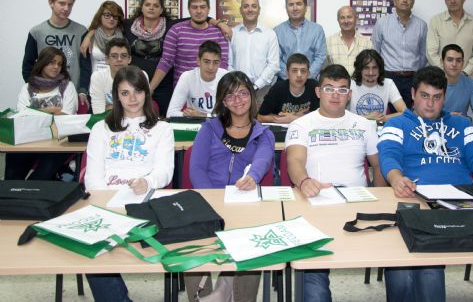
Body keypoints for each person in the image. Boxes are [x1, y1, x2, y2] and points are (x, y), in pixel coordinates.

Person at [378, 66, 473, 302]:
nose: (430, 104)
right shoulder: (397, 124)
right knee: (402, 274)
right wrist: (396, 178)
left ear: (444, 97)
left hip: (460, 203)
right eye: (424, 96)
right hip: (415, 200)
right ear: (412, 94)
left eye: (437, 97)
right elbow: (388, 155)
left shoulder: (462, 125)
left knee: (429, 270)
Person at [286, 64, 385, 302]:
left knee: (399, 259)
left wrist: (382, 199)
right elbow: (295, 161)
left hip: (357, 202)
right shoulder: (302, 125)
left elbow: (379, 165)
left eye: (342, 90)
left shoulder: (364, 125)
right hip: (316, 201)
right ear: (318, 91)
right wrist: (304, 181)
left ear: (349, 95)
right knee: (314, 276)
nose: (335, 95)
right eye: (329, 88)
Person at [84, 65, 174, 302]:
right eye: (125, 93)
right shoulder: (100, 129)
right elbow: (92, 177)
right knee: (93, 247)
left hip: (144, 202)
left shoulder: (162, 129)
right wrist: (107, 205)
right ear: (116, 96)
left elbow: (165, 172)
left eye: (137, 91)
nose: (132, 98)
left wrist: (147, 181)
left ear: (146, 93)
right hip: (106, 203)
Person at [190, 71, 275, 302]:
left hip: (244, 202)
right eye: (230, 96)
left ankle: (235, 294)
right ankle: (204, 296)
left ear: (251, 95)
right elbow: (196, 168)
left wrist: (253, 177)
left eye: (242, 93)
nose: (237, 100)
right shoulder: (209, 128)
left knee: (252, 244)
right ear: (222, 102)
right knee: (191, 243)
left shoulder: (263, 133)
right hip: (208, 201)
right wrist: (214, 201)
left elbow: (262, 160)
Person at [5, 47, 79, 180]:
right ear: (42, 63)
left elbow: (67, 117)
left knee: (41, 176)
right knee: (12, 171)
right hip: (29, 139)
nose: (56, 67)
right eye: (51, 62)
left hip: (59, 141)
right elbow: (22, 116)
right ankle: (11, 196)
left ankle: (28, 195)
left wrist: (35, 111)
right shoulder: (27, 88)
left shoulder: (68, 86)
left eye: (59, 64)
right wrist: (54, 110)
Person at [21, 0, 90, 108]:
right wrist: (35, 89)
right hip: (44, 95)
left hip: (72, 92)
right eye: (62, 3)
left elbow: (86, 65)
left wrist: (83, 90)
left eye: (70, 4)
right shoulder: (37, 32)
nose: (66, 8)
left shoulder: (81, 31)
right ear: (51, 3)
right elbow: (28, 65)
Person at [149, 0, 230, 93]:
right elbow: (166, 62)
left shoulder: (219, 32)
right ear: (189, 10)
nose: (199, 11)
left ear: (209, 9)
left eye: (203, 7)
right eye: (194, 7)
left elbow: (223, 63)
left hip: (211, 91)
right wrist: (151, 88)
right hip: (183, 91)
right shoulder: (176, 30)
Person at [372, 0, 427, 109]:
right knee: (388, 113)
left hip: (412, 78)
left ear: (413, 2)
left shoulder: (421, 25)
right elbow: (375, 51)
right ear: (394, 1)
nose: (404, 0)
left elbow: (423, 54)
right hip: (389, 76)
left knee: (411, 113)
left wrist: (416, 73)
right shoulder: (382, 23)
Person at [124, 0, 177, 115]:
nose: (151, 8)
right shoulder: (128, 25)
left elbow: (195, 18)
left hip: (163, 84)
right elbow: (105, 21)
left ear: (161, 9)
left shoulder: (171, 26)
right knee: (135, 117)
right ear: (141, 8)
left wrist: (217, 23)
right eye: (147, 4)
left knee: (165, 118)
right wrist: (89, 35)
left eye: (156, 5)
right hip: (135, 82)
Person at [228, 0, 279, 106]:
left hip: (263, 91)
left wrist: (256, 86)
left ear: (259, 10)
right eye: (246, 6)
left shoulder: (270, 34)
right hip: (237, 91)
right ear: (240, 10)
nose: (250, 9)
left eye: (254, 6)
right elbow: (229, 64)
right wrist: (239, 86)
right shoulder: (233, 33)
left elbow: (274, 65)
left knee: (262, 122)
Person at [427, 0, 473, 78]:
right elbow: (431, 53)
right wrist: (446, 72)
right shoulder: (436, 21)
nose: (452, 1)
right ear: (445, 0)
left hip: (467, 78)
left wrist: (465, 73)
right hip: (441, 79)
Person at [166, 40, 228, 118]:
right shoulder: (187, 77)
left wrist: (202, 116)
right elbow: (170, 113)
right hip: (195, 125)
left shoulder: (226, 77)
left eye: (215, 62)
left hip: (220, 125)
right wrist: (191, 116)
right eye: (206, 62)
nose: (211, 67)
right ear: (198, 61)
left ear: (220, 63)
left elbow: (231, 115)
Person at [274, 0, 326, 80]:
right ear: (286, 8)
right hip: (285, 81)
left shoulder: (317, 30)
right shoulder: (277, 31)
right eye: (291, 5)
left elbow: (320, 57)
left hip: (311, 81)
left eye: (298, 4)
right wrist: (290, 77)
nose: (295, 8)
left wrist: (306, 76)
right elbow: (276, 59)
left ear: (305, 7)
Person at [258, 53, 319, 124]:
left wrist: (294, 118)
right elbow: (260, 117)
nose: (299, 75)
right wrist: (280, 119)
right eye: (294, 70)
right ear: (287, 73)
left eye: (303, 71)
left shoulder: (314, 87)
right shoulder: (278, 88)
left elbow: (322, 116)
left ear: (308, 74)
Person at [348, 49, 406, 122]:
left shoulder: (388, 83)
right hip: (355, 128)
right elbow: (339, 114)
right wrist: (367, 117)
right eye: (366, 68)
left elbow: (405, 113)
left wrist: (383, 118)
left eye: (374, 68)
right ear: (359, 69)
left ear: (380, 69)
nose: (371, 73)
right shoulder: (350, 84)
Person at [441, 44, 473, 124]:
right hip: (436, 126)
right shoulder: (432, 82)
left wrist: (466, 119)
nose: (454, 64)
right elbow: (424, 112)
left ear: (463, 63)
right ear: (442, 62)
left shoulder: (470, 83)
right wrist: (447, 116)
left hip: (461, 126)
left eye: (458, 60)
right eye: (450, 60)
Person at [89, 38, 132, 114]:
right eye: (114, 56)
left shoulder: (141, 76)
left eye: (124, 56)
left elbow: (139, 111)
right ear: (107, 59)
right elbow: (99, 114)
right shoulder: (98, 77)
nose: (119, 59)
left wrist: (111, 108)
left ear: (129, 59)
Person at [325, 5, 372, 75]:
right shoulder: (328, 42)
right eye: (342, 18)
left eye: (349, 17)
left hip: (359, 84)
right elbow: (325, 70)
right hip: (336, 85)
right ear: (338, 20)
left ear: (356, 19)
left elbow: (370, 69)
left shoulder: (367, 43)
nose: (346, 21)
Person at [82, 1, 126, 73]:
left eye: (115, 16)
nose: (111, 19)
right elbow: (84, 64)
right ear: (100, 17)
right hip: (94, 80)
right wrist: (88, 35)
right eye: (107, 15)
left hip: (116, 80)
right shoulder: (90, 36)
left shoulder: (124, 36)